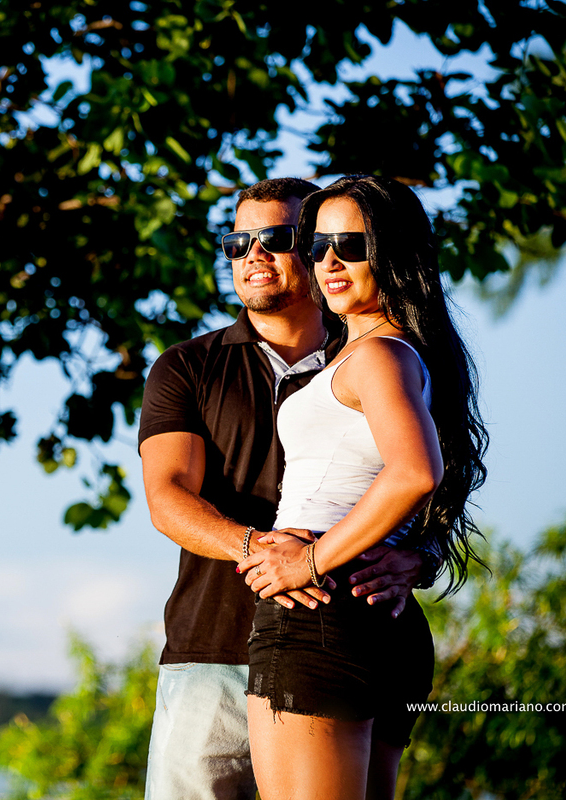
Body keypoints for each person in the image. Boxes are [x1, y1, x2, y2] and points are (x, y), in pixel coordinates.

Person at [138, 177, 432, 800]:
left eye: (276, 238)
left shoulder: (371, 354)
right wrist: (261, 550)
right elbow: (167, 497)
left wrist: (420, 555)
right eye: (237, 242)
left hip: (344, 627)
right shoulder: (187, 366)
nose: (253, 254)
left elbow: (428, 475)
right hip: (214, 651)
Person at [236, 175, 488, 800]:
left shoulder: (378, 356)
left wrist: (308, 562)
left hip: (319, 611)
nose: (328, 262)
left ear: (394, 253)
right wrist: (421, 554)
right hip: (376, 615)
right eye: (317, 246)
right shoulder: (399, 354)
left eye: (351, 245)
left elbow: (416, 472)